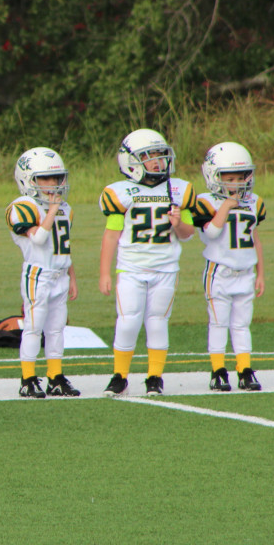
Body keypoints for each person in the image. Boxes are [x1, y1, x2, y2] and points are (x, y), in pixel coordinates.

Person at [98, 128, 196, 397]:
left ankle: (155, 378)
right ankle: (120, 376)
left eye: (159, 155)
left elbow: (189, 234)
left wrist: (178, 225)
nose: (156, 161)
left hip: (165, 269)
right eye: (148, 156)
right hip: (131, 268)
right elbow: (111, 235)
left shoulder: (179, 189)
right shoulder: (120, 192)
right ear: (130, 161)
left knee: (157, 322)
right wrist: (104, 272)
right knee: (128, 321)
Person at [190, 142, 266, 391]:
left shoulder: (254, 202)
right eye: (229, 178)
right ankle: (218, 370)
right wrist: (224, 207)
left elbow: (255, 239)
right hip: (219, 273)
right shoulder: (205, 202)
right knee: (218, 322)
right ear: (214, 177)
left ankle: (245, 369)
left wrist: (261, 273)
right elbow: (210, 233)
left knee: (242, 324)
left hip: (245, 272)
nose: (236, 183)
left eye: (240, 177)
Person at [6, 148, 80, 398]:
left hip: (60, 273)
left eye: (56, 178)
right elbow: (38, 238)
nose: (52, 184)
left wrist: (72, 277)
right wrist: (50, 211)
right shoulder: (23, 206)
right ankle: (27, 379)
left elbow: (64, 245)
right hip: (37, 274)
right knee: (33, 328)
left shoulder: (65, 208)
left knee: (57, 329)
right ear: (28, 180)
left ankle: (55, 377)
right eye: (45, 179)